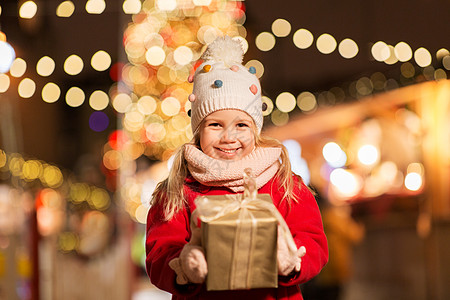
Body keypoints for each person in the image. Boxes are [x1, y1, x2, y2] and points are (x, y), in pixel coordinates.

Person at [145, 36, 328, 300]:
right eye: (215, 125)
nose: (229, 137)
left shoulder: (285, 184)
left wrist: (292, 258)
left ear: (256, 128)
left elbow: (313, 241)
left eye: (241, 125)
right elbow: (159, 251)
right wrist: (183, 263)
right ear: (198, 130)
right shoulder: (178, 191)